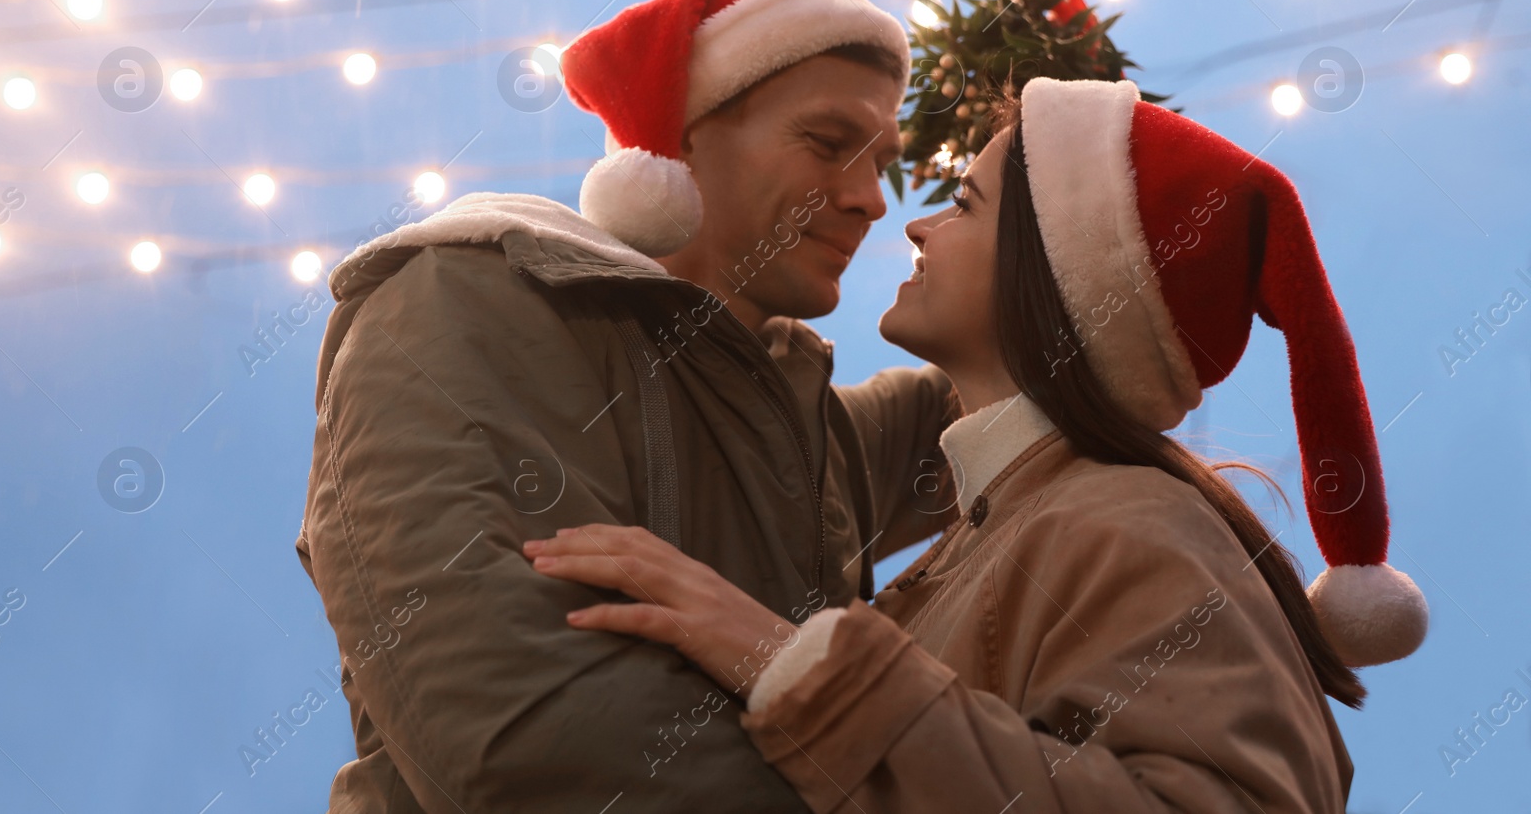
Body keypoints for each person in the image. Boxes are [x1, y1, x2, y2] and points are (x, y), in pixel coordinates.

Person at [525, 76, 1431, 812]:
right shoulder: (1001, 529)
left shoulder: (1129, 515)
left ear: (1057, 270)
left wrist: (793, 666)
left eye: (963, 202)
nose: (915, 224)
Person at [295, 0, 959, 812]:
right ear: (681, 136)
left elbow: (1018, 384)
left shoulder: (807, 424)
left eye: (883, 161)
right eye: (830, 144)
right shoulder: (464, 301)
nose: (874, 199)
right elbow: (522, 731)